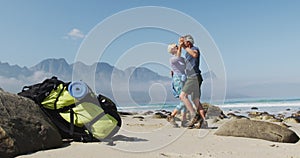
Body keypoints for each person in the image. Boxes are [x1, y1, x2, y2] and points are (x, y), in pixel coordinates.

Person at [179, 34, 207, 128]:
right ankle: (204, 121)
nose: (183, 44)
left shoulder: (194, 49)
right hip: (194, 77)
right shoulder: (187, 53)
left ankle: (193, 115)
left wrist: (184, 47)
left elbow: (195, 54)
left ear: (188, 42)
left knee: (183, 96)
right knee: (196, 100)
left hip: (194, 77)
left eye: (184, 42)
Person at [166, 39, 188, 128]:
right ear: (172, 50)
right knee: (184, 100)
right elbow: (178, 56)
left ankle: (183, 120)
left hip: (182, 79)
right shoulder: (173, 59)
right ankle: (172, 116)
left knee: (184, 99)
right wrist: (180, 45)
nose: (177, 47)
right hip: (178, 80)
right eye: (175, 47)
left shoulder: (179, 59)